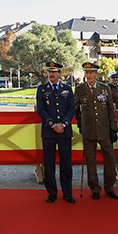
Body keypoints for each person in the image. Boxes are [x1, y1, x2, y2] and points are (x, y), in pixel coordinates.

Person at [74, 62, 118, 200]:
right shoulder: (80, 89)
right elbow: (76, 109)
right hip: (89, 130)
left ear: (96, 74)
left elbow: (111, 110)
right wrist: (80, 124)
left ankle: (109, 187)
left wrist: (113, 129)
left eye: (91, 73)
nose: (89, 76)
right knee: (91, 160)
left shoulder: (105, 88)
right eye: (87, 73)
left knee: (110, 159)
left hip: (104, 130)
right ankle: (94, 188)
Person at [36, 61, 76, 204]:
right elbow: (41, 109)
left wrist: (63, 124)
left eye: (54, 72)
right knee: (49, 164)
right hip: (49, 132)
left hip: (64, 131)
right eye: (49, 72)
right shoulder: (41, 89)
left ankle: (68, 193)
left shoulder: (67, 89)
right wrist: (53, 124)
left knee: (66, 163)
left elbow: (72, 108)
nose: (51, 74)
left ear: (60, 73)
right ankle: (51, 192)